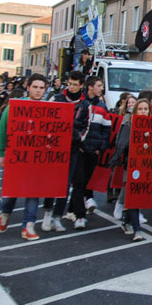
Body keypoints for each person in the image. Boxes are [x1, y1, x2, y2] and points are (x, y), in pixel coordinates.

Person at [0, 74, 49, 241]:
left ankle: (29, 226)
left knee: (33, 193)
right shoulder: (14, 107)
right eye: (35, 87)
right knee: (11, 192)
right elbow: (2, 130)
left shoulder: (49, 109)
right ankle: (5, 213)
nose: (38, 91)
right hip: (16, 157)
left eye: (41, 88)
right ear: (28, 88)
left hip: (36, 159)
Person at [40, 70, 85, 232]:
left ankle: (58, 217)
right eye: (69, 84)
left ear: (81, 85)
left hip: (72, 149)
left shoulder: (85, 104)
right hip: (54, 148)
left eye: (75, 84)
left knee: (65, 184)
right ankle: (47, 213)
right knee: (52, 181)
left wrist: (78, 139)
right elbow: (45, 119)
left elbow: (86, 127)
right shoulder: (56, 98)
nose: (71, 87)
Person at [69, 75, 111, 229]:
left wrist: (101, 148)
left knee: (85, 181)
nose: (101, 88)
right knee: (79, 181)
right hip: (80, 149)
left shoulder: (102, 106)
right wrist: (78, 143)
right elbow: (75, 125)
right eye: (99, 85)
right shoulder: (80, 104)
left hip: (94, 151)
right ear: (90, 87)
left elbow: (107, 129)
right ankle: (80, 215)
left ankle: (71, 209)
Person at [110, 98, 150, 241]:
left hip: (146, 165)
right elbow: (122, 144)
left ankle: (127, 221)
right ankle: (137, 229)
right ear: (135, 111)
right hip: (132, 165)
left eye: (146, 109)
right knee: (134, 196)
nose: (143, 112)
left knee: (137, 195)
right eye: (140, 109)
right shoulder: (128, 125)